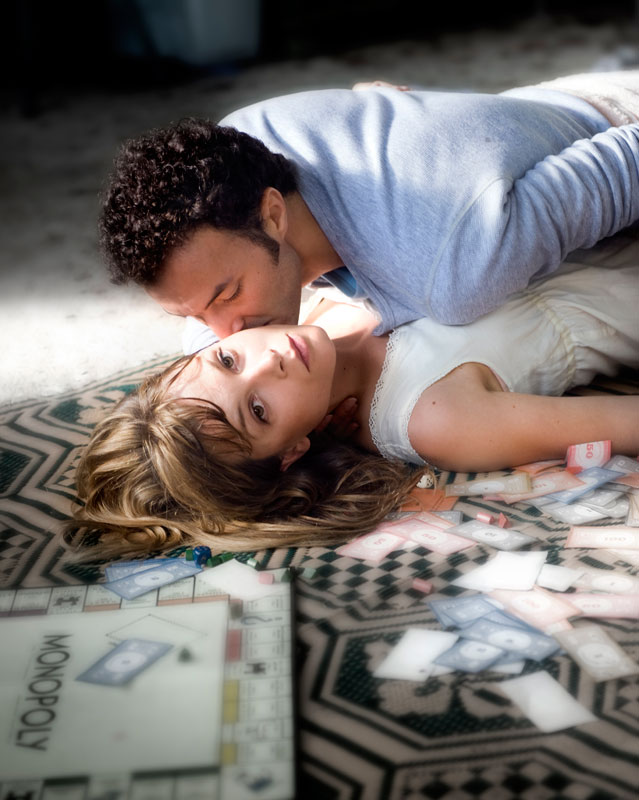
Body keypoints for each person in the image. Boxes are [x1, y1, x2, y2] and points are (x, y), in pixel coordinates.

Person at [67, 250, 639, 561]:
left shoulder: (284, 302)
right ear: (292, 452)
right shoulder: (431, 418)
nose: (269, 361)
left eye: (227, 360)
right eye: (259, 411)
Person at [99, 72, 639, 359]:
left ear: (272, 213)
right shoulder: (230, 149)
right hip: (525, 107)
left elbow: (628, 157)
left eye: (228, 296)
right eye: (196, 315)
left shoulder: (453, 266)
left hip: (615, 111)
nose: (224, 333)